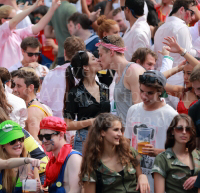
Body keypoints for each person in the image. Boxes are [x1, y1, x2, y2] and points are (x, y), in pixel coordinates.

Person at [125, 70, 178, 193]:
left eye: (150, 93)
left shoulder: (171, 115)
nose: (144, 96)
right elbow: (126, 142)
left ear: (160, 92)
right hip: (134, 178)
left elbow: (182, 152)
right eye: (141, 91)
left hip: (159, 180)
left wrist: (158, 152)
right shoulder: (133, 110)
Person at [80, 113, 150, 193]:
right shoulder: (93, 162)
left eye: (121, 130)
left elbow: (139, 175)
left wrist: (142, 176)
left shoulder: (129, 152)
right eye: (116, 130)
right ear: (103, 132)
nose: (120, 134)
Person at [154, 0, 199, 108]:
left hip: (164, 77)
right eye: (191, 13)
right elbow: (188, 54)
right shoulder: (182, 27)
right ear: (182, 10)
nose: (192, 18)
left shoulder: (160, 28)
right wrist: (197, 50)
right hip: (179, 80)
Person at [40, 36, 86, 143]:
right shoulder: (89, 74)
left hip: (57, 129)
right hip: (79, 128)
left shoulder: (51, 75)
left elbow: (44, 105)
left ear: (64, 52)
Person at [64, 50, 110, 153]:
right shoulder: (74, 92)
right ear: (85, 67)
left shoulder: (104, 88)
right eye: (94, 59)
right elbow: (67, 124)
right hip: (85, 140)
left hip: (105, 139)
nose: (98, 60)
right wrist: (92, 121)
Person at [97, 35, 145, 125]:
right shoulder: (119, 73)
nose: (99, 59)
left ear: (111, 52)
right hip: (123, 134)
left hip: (132, 135)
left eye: (101, 55)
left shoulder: (133, 71)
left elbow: (140, 110)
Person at [0, 0, 61, 69]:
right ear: (3, 20)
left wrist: (52, 8)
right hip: (4, 77)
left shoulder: (16, 33)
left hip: (18, 75)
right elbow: (14, 21)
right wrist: (34, 6)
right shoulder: (1, 32)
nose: (17, 21)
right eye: (14, 17)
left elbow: (38, 26)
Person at [152, 114, 200, 193]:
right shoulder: (162, 159)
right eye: (179, 128)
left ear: (191, 133)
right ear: (172, 131)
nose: (184, 132)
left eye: (188, 129)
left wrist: (198, 178)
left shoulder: (197, 154)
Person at [0, 120, 45, 193]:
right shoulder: (2, 164)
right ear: (2, 146)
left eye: (20, 139)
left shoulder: (28, 166)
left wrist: (36, 190)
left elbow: (30, 191)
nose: (18, 143)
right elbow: (7, 163)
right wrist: (27, 160)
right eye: (12, 141)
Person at [39, 116, 82, 193]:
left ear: (61, 135)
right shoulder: (53, 161)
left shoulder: (73, 158)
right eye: (41, 137)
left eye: (48, 136)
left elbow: (75, 191)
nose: (44, 140)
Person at [12, 69, 52, 144]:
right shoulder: (37, 106)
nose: (14, 89)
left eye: (19, 86)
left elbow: (36, 142)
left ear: (30, 87)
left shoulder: (32, 111)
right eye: (13, 86)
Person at [44, 0, 77, 66]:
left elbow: (47, 33)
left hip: (61, 54)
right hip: (72, 54)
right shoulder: (70, 8)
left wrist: (60, 33)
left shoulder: (53, 8)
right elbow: (73, 31)